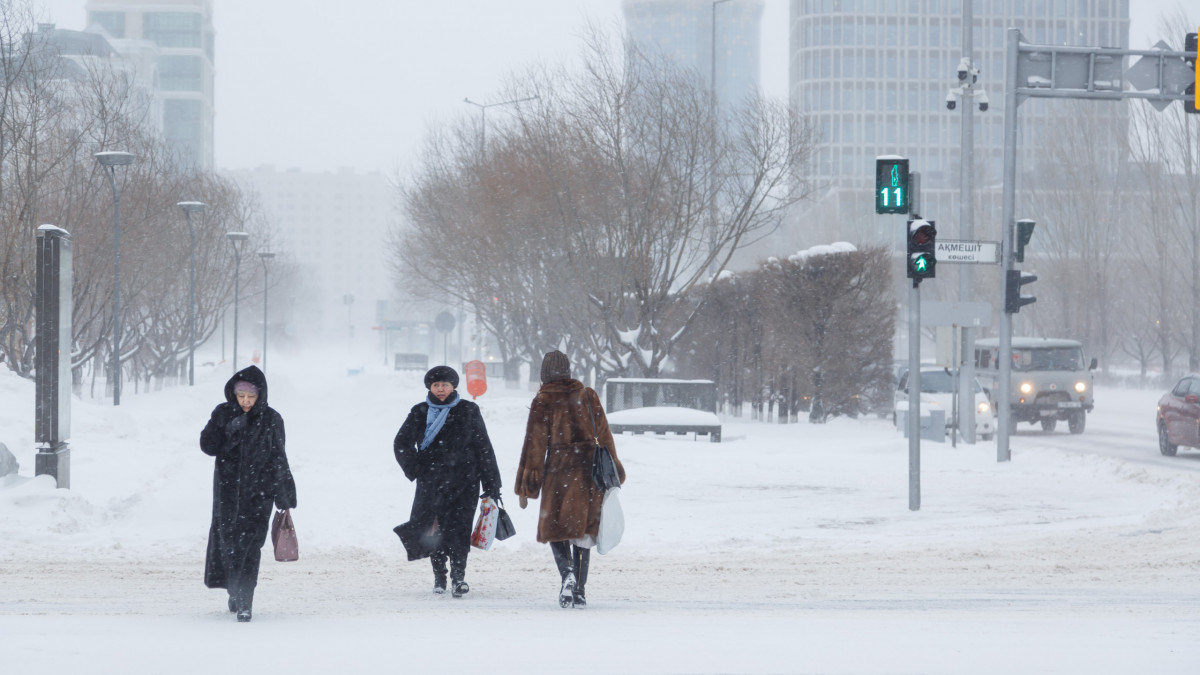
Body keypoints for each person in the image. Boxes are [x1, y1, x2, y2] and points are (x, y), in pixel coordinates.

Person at [515, 350, 625, 608]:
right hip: (589, 474)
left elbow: (535, 445)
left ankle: (567, 575)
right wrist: (614, 470)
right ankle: (581, 592)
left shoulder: (543, 400)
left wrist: (527, 486)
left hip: (558, 472)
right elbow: (605, 437)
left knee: (556, 529)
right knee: (583, 532)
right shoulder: (587, 395)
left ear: (544, 374)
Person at [393, 365, 503, 597]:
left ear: (454, 386)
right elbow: (401, 443)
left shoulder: (469, 410)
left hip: (465, 482)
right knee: (435, 530)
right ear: (429, 388)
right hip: (432, 483)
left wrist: (492, 483)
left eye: (445, 385)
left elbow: (483, 447)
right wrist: (416, 469)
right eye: (436, 385)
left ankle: (459, 577)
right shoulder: (420, 412)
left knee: (460, 528)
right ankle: (440, 576)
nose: (440, 389)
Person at [199, 365, 297, 623]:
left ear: (260, 395)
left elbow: (278, 456)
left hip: (258, 496)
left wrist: (283, 494)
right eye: (241, 396)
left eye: (250, 397)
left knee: (251, 547)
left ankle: (245, 600)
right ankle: (234, 590)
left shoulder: (271, 419)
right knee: (229, 546)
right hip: (227, 495)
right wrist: (227, 428)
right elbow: (207, 446)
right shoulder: (223, 413)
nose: (245, 401)